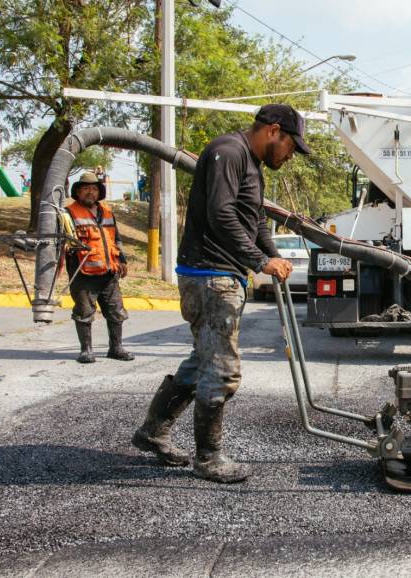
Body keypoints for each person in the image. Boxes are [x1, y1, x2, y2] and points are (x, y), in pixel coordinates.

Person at [132, 104, 306, 484]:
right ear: (274, 130)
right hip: (210, 276)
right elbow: (221, 215)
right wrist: (260, 262)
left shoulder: (249, 163)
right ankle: (208, 459)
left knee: (202, 361)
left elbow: (254, 219)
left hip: (220, 274)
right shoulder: (228, 152)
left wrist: (273, 255)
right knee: (221, 369)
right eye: (292, 145)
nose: (291, 155)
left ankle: (152, 431)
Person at [65, 171, 135, 363]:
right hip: (83, 273)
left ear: (99, 192)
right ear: (78, 192)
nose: (90, 192)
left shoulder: (107, 212)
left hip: (109, 272)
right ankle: (86, 350)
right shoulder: (69, 213)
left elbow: (116, 239)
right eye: (86, 188)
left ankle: (116, 348)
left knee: (116, 312)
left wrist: (122, 260)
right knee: (84, 313)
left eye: (94, 189)